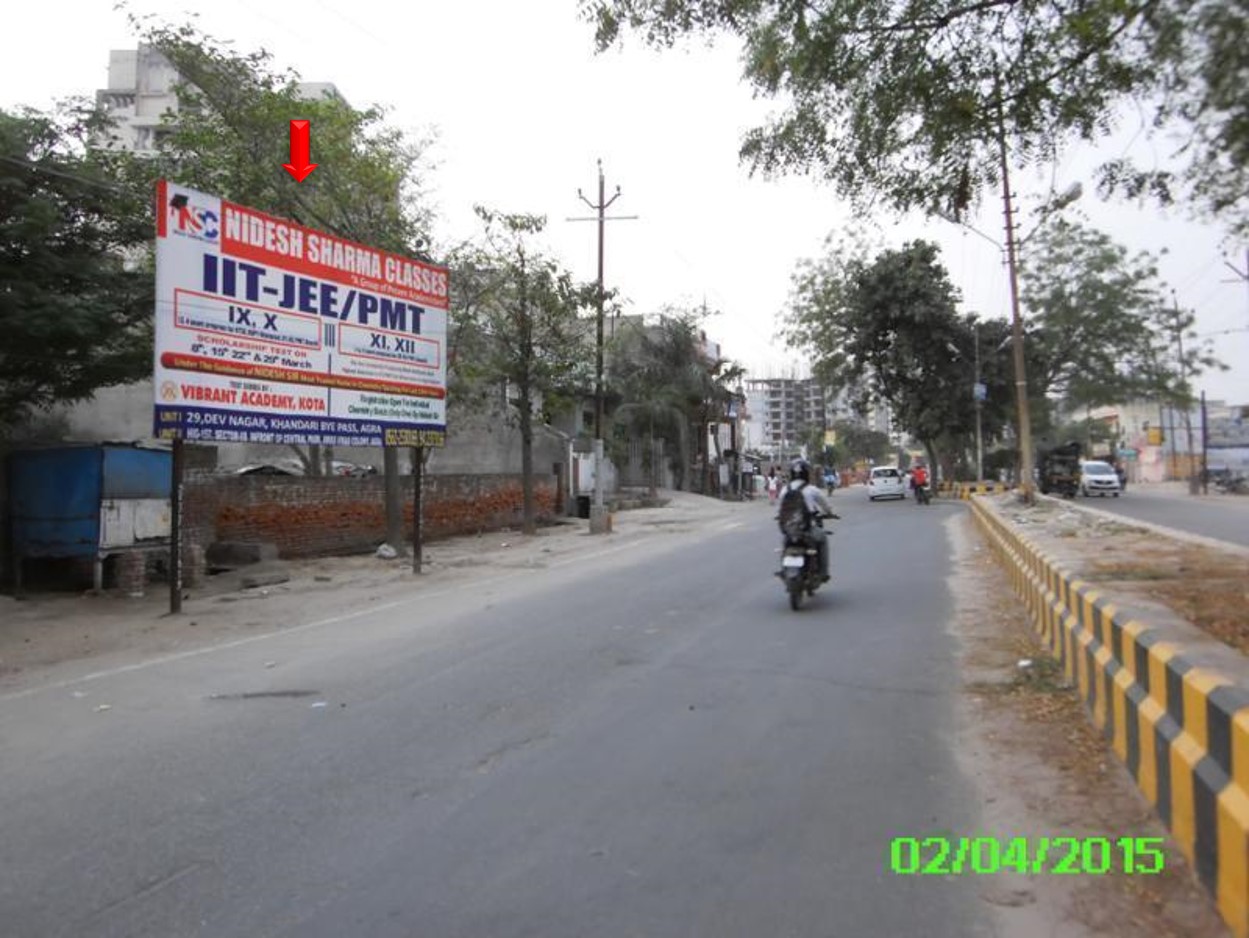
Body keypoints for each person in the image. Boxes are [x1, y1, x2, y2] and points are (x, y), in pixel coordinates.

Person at [779, 458, 836, 581]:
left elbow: (780, 510)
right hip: (807, 530)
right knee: (823, 538)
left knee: (784, 544)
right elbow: (825, 505)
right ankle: (823, 572)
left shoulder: (784, 490)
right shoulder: (812, 489)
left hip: (789, 530)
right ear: (806, 473)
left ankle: (784, 570)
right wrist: (830, 513)